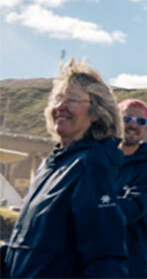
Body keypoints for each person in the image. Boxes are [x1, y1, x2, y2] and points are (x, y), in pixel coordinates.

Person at [1, 59, 127, 278]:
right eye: (57, 99)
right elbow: (32, 248)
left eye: (73, 100)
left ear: (96, 112)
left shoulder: (91, 164)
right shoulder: (52, 165)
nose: (61, 107)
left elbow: (104, 255)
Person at [117, 98, 147, 278]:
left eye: (141, 121)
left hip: (130, 269)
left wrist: (90, 202)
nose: (133, 125)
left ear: (146, 128)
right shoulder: (97, 161)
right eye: (127, 119)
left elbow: (131, 210)